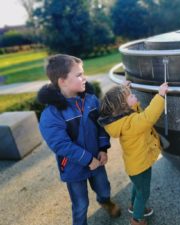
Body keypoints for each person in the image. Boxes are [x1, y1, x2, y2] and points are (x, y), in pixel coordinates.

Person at [38, 54, 121, 225]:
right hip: (73, 166)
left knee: (104, 188)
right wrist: (86, 159)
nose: (85, 78)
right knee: (80, 203)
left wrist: (103, 148)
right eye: (79, 75)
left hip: (97, 159)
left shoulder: (91, 100)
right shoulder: (51, 114)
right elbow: (60, 144)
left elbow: (101, 125)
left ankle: (105, 202)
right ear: (62, 81)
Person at [98, 81, 168, 225]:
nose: (133, 95)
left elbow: (133, 111)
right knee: (144, 192)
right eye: (130, 96)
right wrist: (160, 96)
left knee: (138, 188)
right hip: (140, 165)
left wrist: (125, 90)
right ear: (124, 107)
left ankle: (133, 206)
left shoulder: (122, 120)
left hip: (136, 164)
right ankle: (137, 218)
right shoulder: (130, 124)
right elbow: (147, 117)